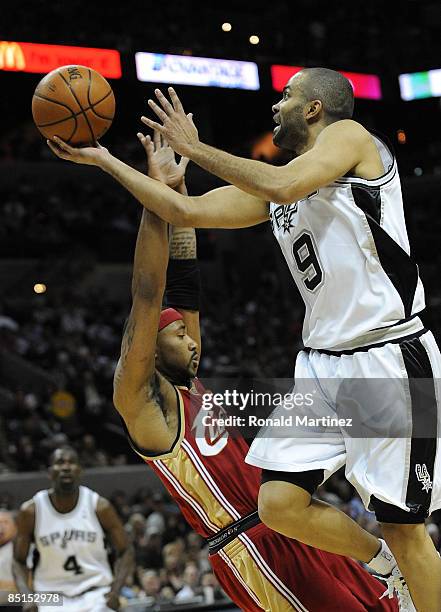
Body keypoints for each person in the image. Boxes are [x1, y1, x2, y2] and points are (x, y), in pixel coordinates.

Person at [47, 66, 441, 612]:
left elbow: (281, 183)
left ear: (314, 109)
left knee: (406, 528)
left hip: (387, 353)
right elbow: (182, 211)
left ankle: (399, 559)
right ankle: (379, 562)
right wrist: (104, 160)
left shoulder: (349, 139)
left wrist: (197, 146)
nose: (274, 107)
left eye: (285, 96)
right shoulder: (276, 190)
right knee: (278, 504)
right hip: (323, 364)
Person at [109, 131, 398, 611]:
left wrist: (175, 193)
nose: (190, 337)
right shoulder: (142, 403)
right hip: (250, 548)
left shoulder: (191, 383)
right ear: (150, 352)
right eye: (177, 334)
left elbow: (185, 277)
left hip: (289, 524)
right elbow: (148, 289)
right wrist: (149, 196)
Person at [13, 446, 133, 612]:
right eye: (60, 462)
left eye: (71, 462)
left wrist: (115, 592)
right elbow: (18, 560)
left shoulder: (99, 507)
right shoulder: (31, 511)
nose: (66, 467)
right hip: (50, 597)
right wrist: (27, 597)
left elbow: (126, 550)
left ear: (80, 471)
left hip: (96, 594)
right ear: (50, 472)